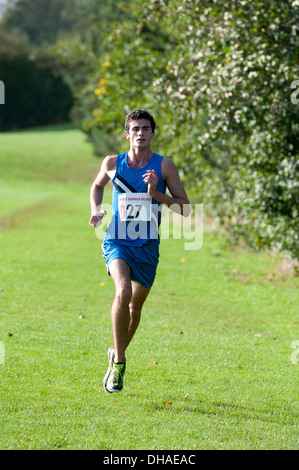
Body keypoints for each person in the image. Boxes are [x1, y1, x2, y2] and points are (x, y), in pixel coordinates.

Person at [89, 109, 190, 393]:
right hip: (117, 241)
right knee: (123, 292)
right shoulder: (112, 163)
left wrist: (157, 193)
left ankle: (115, 353)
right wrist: (96, 210)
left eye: (146, 129)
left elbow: (185, 208)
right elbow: (96, 187)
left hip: (147, 247)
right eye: (135, 129)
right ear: (127, 134)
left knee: (135, 307)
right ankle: (119, 364)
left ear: (153, 133)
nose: (141, 133)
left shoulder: (164, 166)